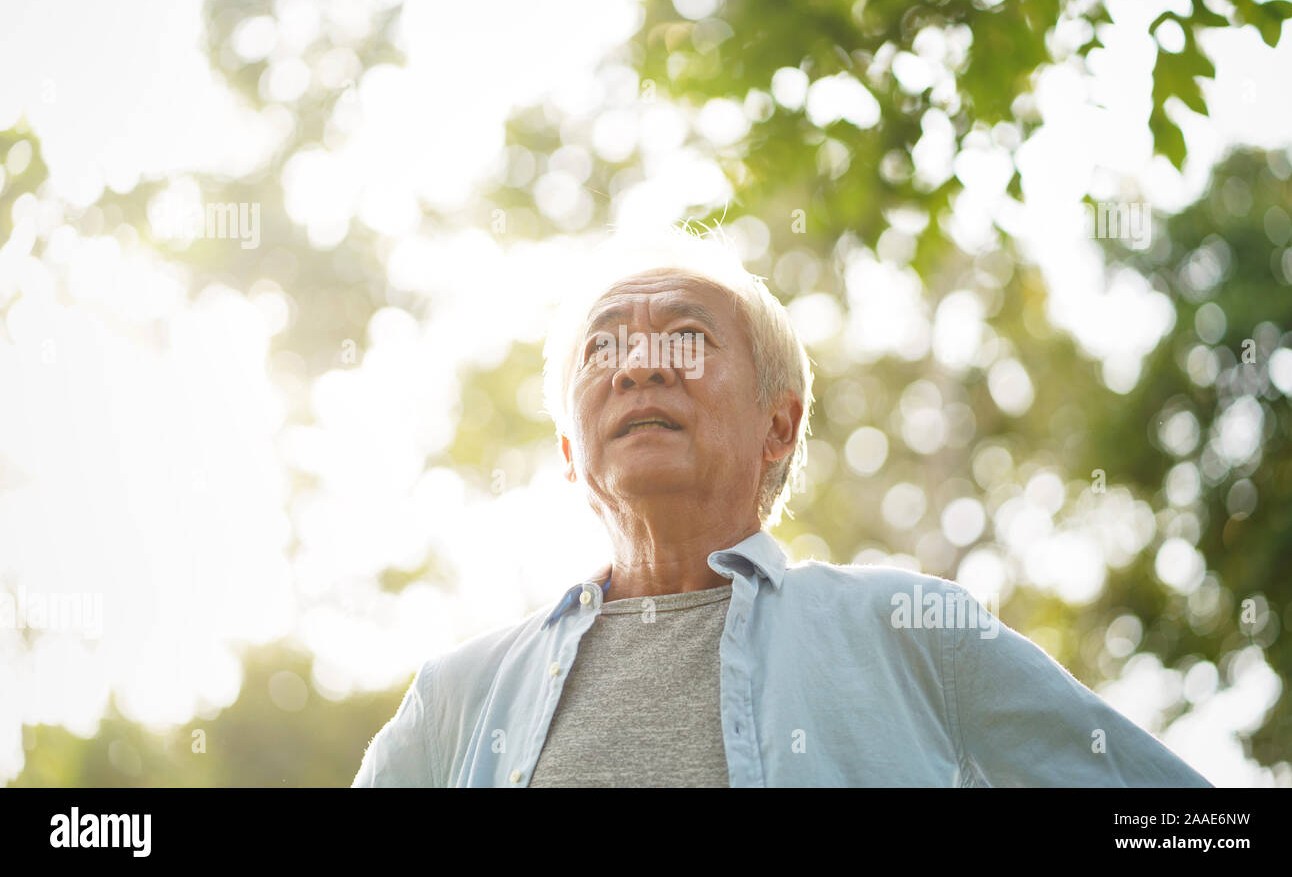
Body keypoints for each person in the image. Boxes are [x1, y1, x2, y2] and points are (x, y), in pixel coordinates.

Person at [352, 228, 1211, 788]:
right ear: (571, 457)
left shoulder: (912, 633)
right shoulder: (454, 700)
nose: (639, 367)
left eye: (687, 337)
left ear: (778, 424)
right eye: (604, 345)